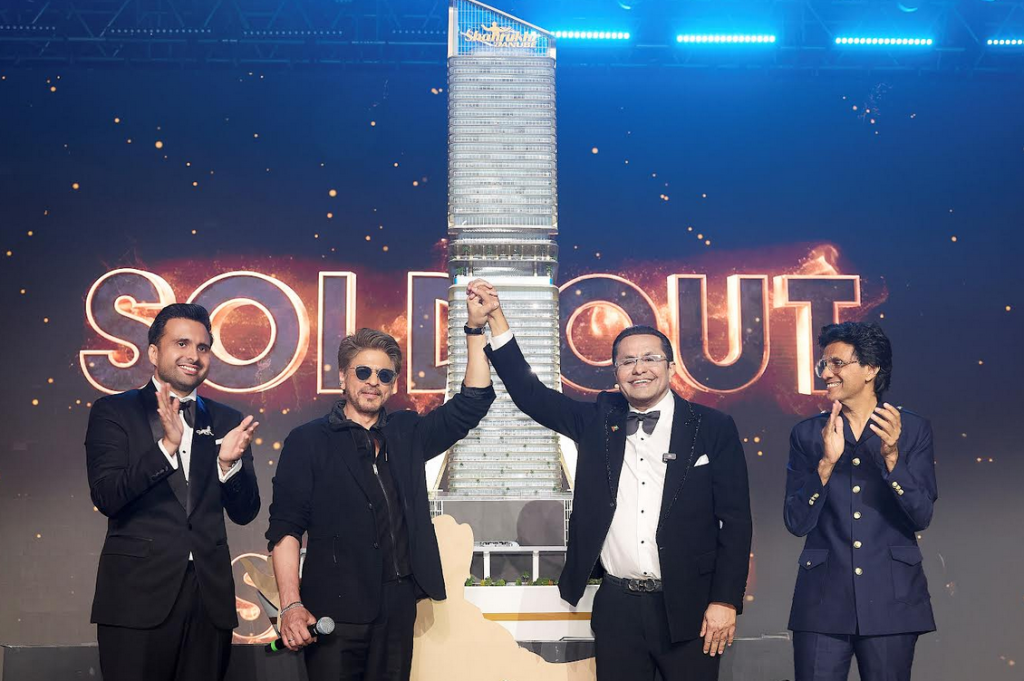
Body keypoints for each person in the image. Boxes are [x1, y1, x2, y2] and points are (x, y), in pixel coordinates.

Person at [469, 279, 752, 681]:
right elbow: (531, 395)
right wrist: (496, 318)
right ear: (616, 372)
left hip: (690, 605)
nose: (639, 368)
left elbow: (736, 522)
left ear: (671, 367)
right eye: (627, 361)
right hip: (618, 608)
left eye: (650, 358)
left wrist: (725, 600)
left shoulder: (713, 427)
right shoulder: (600, 421)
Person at [266, 292, 496, 681]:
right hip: (333, 613)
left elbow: (472, 403)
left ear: (392, 384)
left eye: (384, 375)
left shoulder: (407, 432)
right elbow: (285, 528)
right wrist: (290, 604)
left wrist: (474, 330)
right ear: (343, 376)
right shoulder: (308, 441)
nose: (373, 381)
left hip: (397, 610)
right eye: (363, 372)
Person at [86, 303, 261, 681]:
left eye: (202, 347)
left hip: (209, 601)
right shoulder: (114, 411)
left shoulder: (228, 420)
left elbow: (246, 511)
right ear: (153, 352)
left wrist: (227, 466)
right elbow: (107, 496)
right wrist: (166, 448)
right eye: (181, 343)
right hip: (136, 597)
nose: (193, 355)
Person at [784, 322, 937, 681]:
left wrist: (892, 458)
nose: (827, 373)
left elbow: (921, 515)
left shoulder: (911, 429)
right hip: (822, 600)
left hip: (891, 599)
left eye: (837, 363)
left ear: (871, 369)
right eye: (823, 364)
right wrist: (825, 465)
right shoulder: (808, 434)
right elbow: (796, 521)